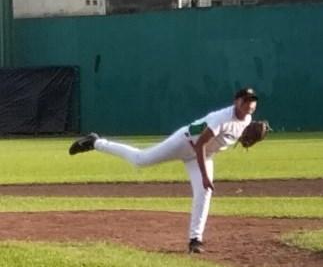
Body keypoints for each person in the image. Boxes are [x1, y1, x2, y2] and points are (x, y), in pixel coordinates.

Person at [68, 88, 269, 254]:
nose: (250, 104)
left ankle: (195, 240)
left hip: (202, 155)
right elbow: (200, 145)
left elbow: (230, 137)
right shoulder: (221, 118)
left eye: (253, 101)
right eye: (246, 100)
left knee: (204, 192)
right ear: (237, 102)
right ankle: (96, 142)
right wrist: (205, 176)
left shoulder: (247, 120)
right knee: (141, 160)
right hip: (185, 143)